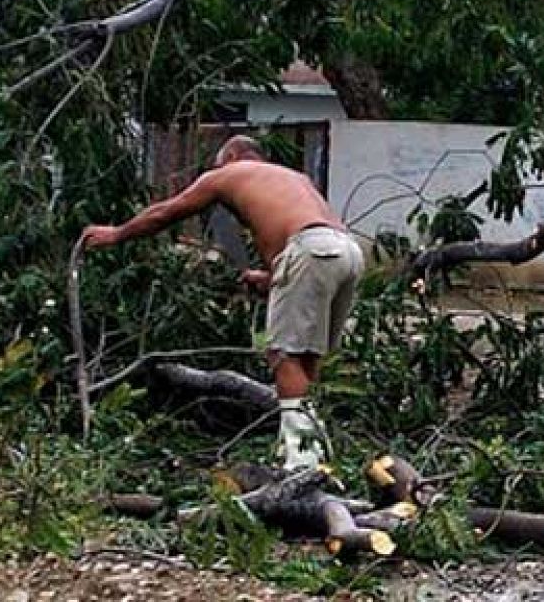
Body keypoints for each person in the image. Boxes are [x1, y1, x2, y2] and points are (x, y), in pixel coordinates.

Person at [81, 136, 363, 470]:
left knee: (284, 355)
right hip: (347, 251)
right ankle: (313, 450)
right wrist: (270, 277)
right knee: (308, 356)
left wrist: (116, 234)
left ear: (231, 156)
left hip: (310, 250)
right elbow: (304, 236)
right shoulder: (292, 177)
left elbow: (167, 212)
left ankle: (302, 462)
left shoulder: (229, 173)